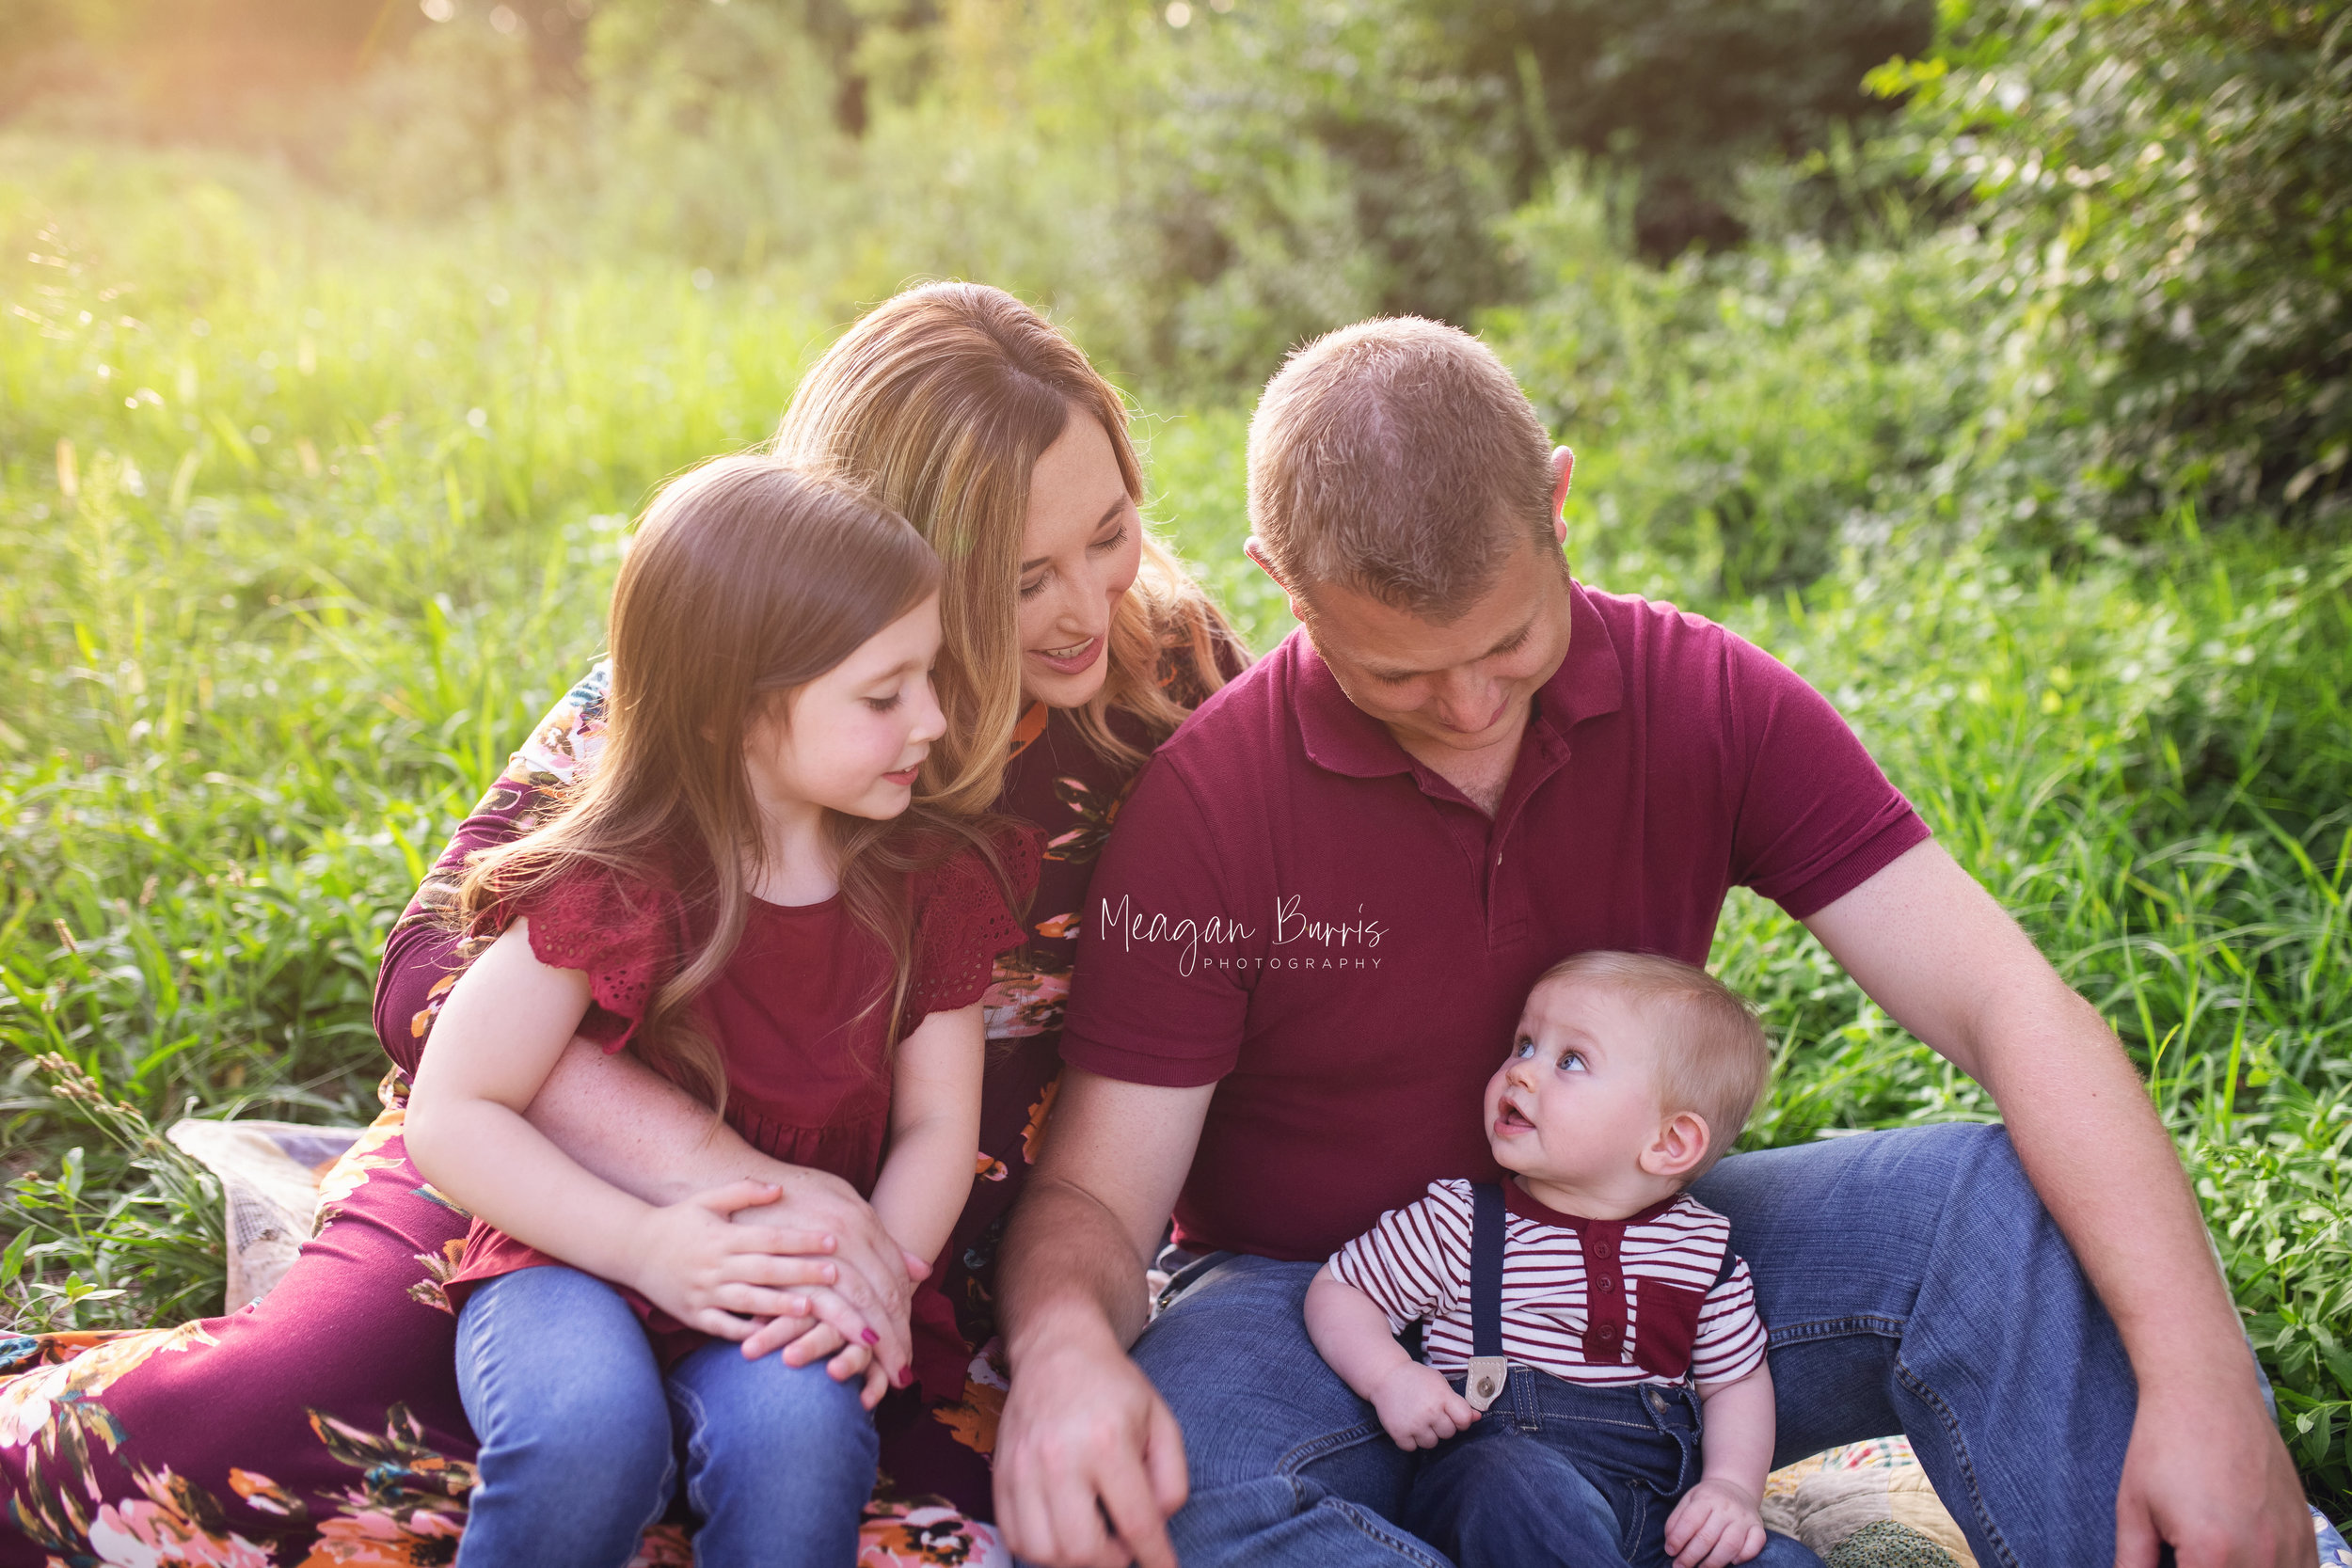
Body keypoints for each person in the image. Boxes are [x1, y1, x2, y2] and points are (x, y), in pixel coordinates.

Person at [989, 316, 2315, 1568]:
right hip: (1316, 1309)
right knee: (1189, 1496)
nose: (1465, 704)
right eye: (1395, 672)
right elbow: (1101, 1196)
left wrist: (2207, 1390)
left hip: (1647, 1261)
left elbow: (2007, 1003)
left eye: (1509, 641)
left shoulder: (1708, 697)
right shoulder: (1210, 803)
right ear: (1282, 583)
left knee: (1989, 1210)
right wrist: (1061, 1350)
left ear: (1559, 503)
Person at [0, 281, 1243, 1565]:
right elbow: (431, 974)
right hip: (553, 1186)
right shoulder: (753, 657)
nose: (1091, 605)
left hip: (905, 1258)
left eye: (1112, 532)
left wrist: (883, 1258)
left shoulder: (1182, 686)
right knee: (248, 1436)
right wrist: (715, 1185)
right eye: (1025, 576)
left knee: (933, 1521)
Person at [404, 457, 1038, 1566]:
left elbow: (941, 1123)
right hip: (579, 1245)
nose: (933, 716)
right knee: (585, 1432)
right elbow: (454, 1109)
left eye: (927, 675)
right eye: (884, 694)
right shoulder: (620, 880)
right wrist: (645, 1243)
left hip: (795, 1274)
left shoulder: (925, 877)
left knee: (799, 1446)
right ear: (732, 711)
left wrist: (876, 1268)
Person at [1306, 952, 1812, 1568]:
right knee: (1511, 1483)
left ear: (1668, 1142)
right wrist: (1389, 1375)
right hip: (1510, 1496)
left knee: (1778, 1559)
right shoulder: (1460, 1222)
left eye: (1571, 1059)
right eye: (1524, 1045)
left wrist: (1731, 1487)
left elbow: (1734, 1379)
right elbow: (1342, 1289)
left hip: (1655, 1516)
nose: (1522, 1073)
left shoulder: (1701, 1251)